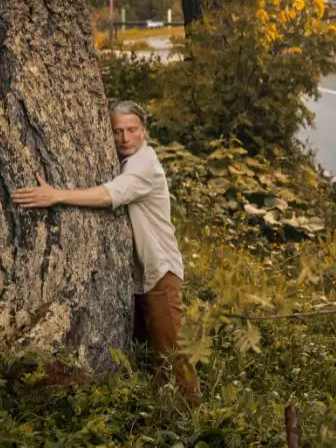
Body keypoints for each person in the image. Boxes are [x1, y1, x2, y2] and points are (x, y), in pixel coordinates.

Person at [11, 100, 199, 398]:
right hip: (139, 278)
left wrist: (56, 196)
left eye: (131, 130)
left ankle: (193, 418)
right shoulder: (125, 162)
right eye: (116, 132)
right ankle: (160, 417)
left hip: (160, 272)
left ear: (144, 131)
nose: (124, 139)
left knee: (172, 354)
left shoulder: (145, 164)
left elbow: (110, 194)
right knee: (146, 358)